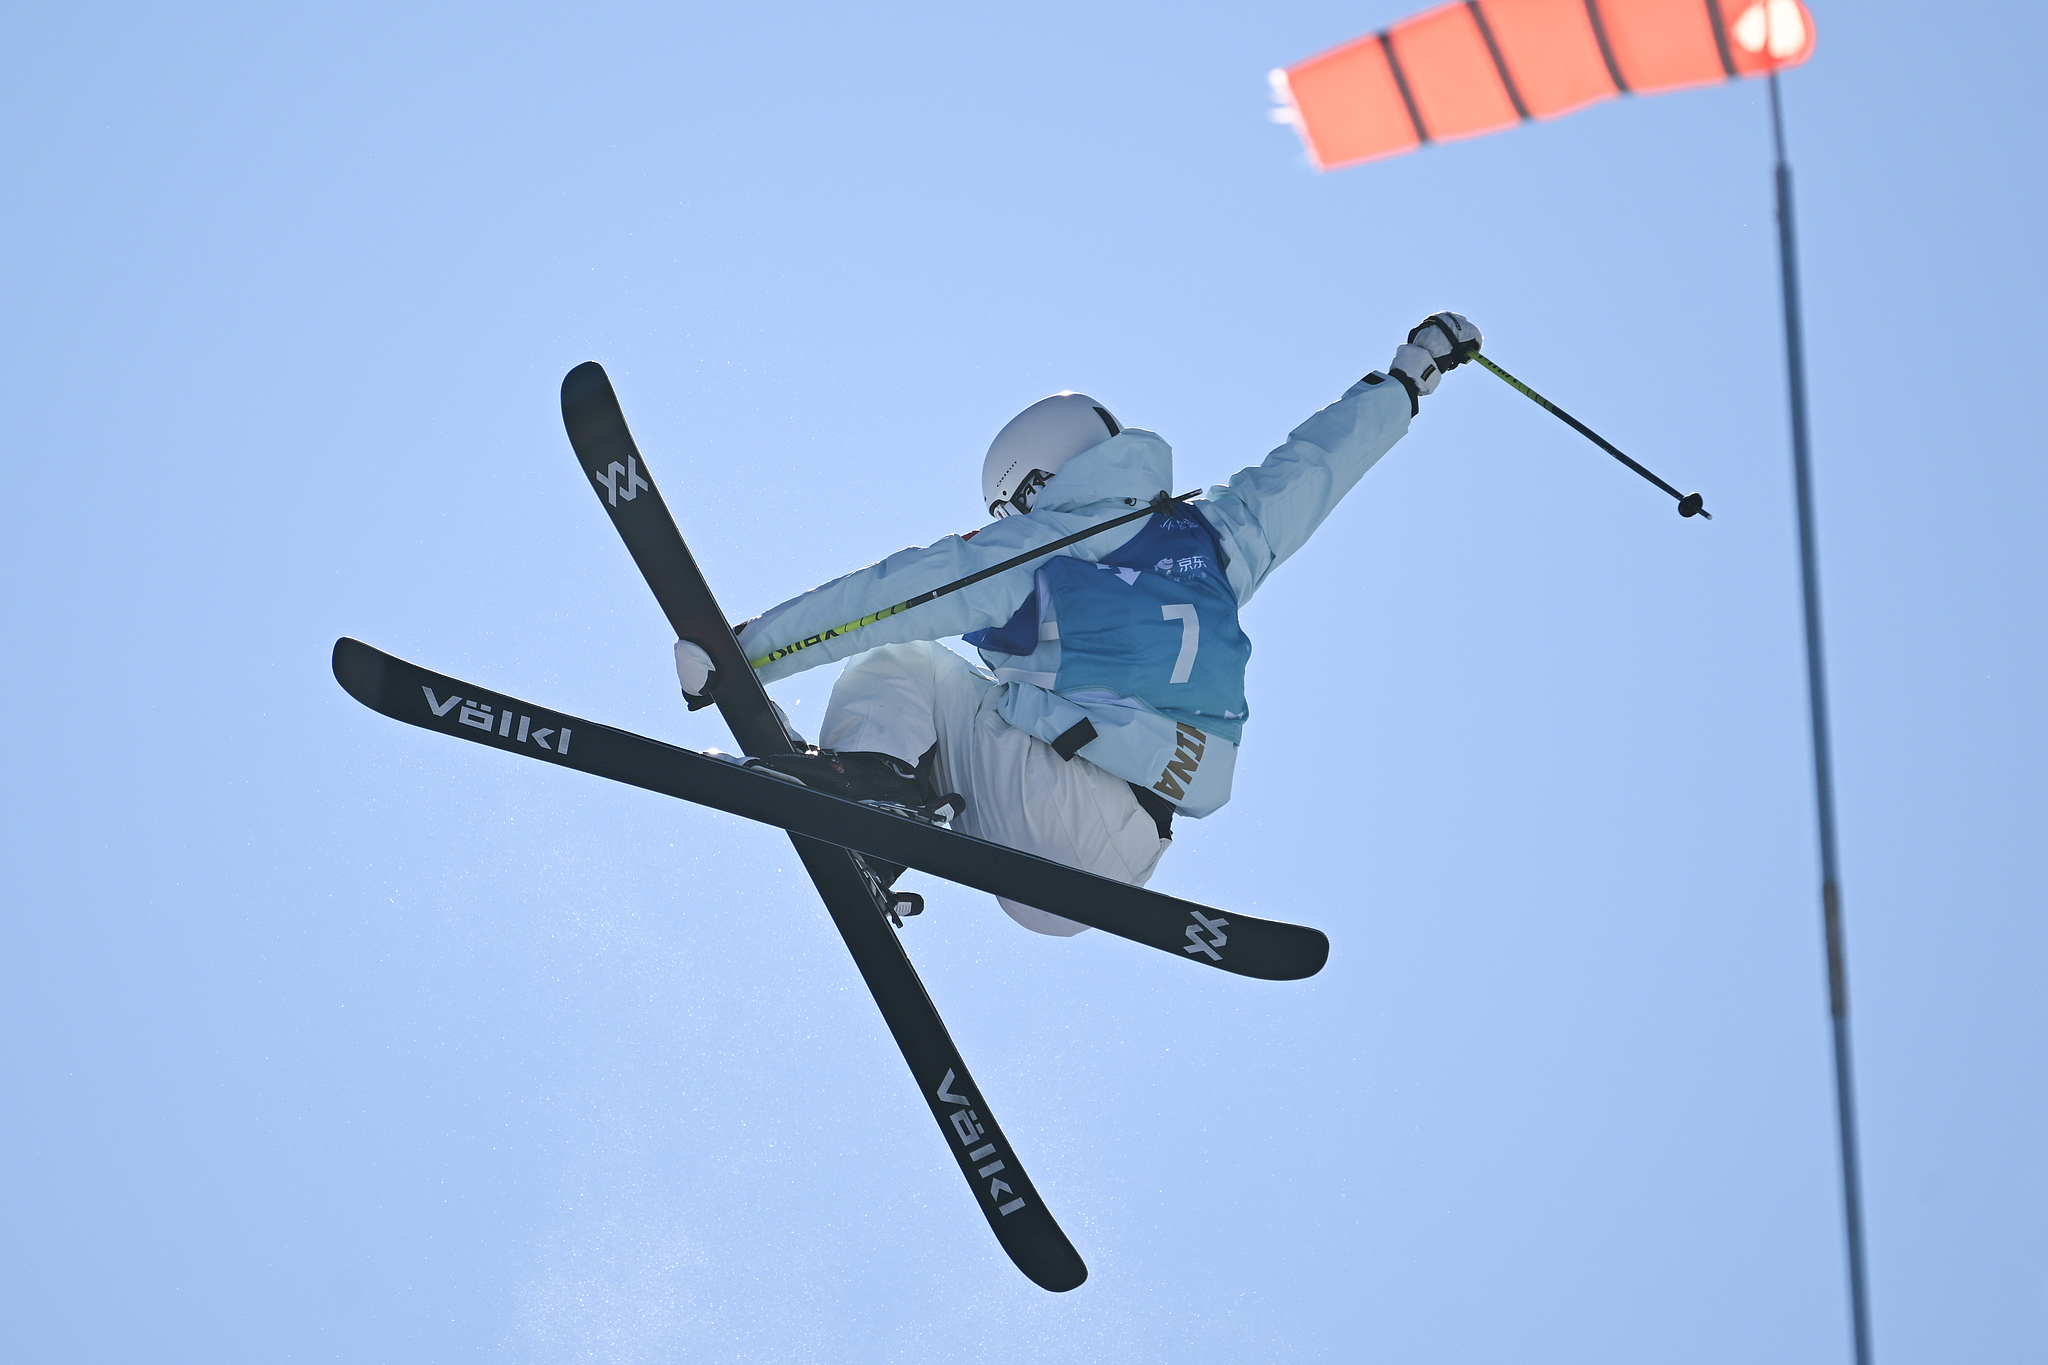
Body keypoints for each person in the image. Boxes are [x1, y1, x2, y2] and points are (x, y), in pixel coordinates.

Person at [674, 313, 1483, 934]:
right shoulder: (1220, 538)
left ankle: (877, 800)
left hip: (1049, 810)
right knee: (988, 699)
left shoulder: (1040, 545)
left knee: (903, 659)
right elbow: (1316, 466)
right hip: (1117, 868)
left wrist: (743, 656)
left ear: (1031, 486)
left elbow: (894, 592)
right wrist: (1408, 380)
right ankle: (893, 809)